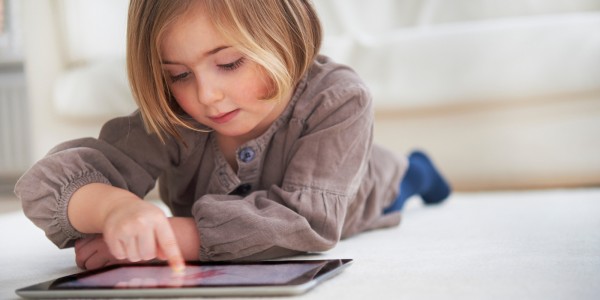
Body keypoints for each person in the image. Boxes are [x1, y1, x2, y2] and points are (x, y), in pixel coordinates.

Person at [14, 0, 450, 272]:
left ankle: (418, 170)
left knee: (397, 181)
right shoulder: (176, 113)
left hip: (362, 191)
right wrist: (114, 209)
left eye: (229, 63)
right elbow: (46, 182)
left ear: (285, 34)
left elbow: (308, 224)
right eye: (180, 74)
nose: (206, 95)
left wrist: (165, 243)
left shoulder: (339, 99)